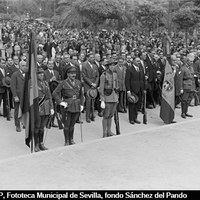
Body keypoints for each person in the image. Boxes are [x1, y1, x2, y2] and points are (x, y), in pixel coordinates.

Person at [53, 66, 84, 146]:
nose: (73, 75)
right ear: (68, 74)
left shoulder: (78, 82)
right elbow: (55, 93)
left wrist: (82, 104)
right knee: (67, 124)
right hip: (67, 105)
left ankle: (71, 139)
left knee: (72, 124)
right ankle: (66, 141)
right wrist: (60, 102)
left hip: (76, 105)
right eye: (71, 73)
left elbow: (81, 94)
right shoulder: (63, 83)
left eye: (74, 73)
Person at [34, 68, 54, 152]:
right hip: (38, 107)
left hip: (46, 107)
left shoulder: (46, 83)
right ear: (36, 75)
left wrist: (52, 107)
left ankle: (41, 143)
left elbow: (49, 96)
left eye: (42, 73)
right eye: (39, 73)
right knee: (37, 127)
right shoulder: (34, 84)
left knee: (42, 127)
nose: (41, 75)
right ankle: (36, 144)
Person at [99, 59, 119, 137]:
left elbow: (117, 86)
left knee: (111, 115)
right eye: (110, 65)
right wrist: (102, 100)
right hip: (107, 97)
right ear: (107, 66)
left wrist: (117, 97)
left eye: (113, 65)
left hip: (114, 97)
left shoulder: (115, 74)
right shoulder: (103, 75)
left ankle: (109, 131)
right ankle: (104, 132)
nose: (112, 67)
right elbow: (101, 89)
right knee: (106, 116)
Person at [11, 60, 27, 132]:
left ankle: (24, 123)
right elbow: (13, 86)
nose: (24, 67)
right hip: (18, 95)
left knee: (25, 110)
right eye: (23, 66)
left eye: (25, 65)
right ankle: (17, 125)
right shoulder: (15, 74)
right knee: (17, 111)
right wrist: (15, 96)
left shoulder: (28, 74)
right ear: (20, 66)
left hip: (25, 96)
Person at [82, 53, 99, 123]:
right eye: (91, 57)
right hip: (88, 86)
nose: (92, 58)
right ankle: (87, 116)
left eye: (93, 57)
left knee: (93, 101)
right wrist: (91, 83)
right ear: (88, 58)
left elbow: (97, 76)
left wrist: (95, 83)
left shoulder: (95, 66)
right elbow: (84, 76)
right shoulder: (85, 66)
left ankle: (92, 115)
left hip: (94, 86)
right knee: (88, 101)